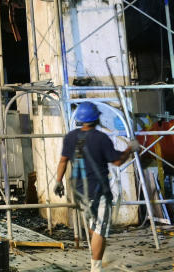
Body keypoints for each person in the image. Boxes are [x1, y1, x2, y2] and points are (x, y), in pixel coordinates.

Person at [54, 101, 139, 272]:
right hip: (98, 192)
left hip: (79, 191)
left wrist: (58, 181)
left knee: (95, 227)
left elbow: (63, 161)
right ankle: (96, 268)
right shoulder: (101, 138)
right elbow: (117, 161)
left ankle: (97, 254)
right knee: (100, 229)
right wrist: (130, 148)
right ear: (96, 118)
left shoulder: (70, 137)